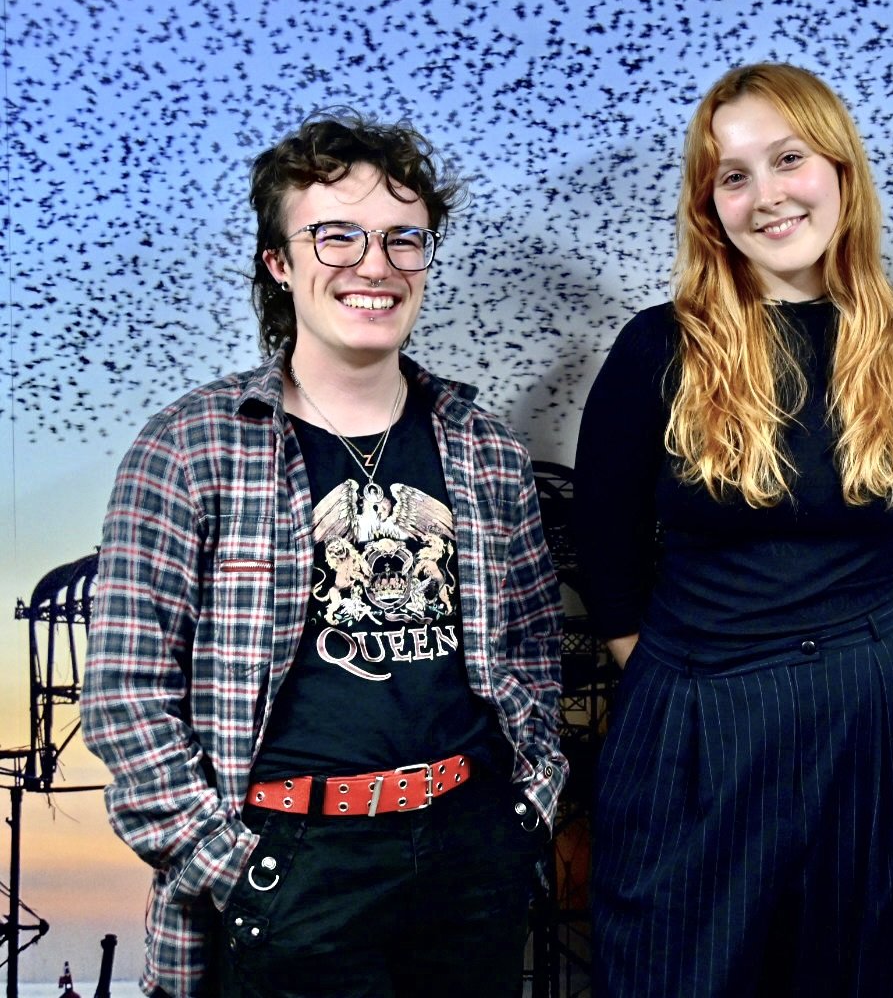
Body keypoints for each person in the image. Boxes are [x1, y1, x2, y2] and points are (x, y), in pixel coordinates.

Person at [83, 111, 567, 998]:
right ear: (280, 262)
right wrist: (229, 865)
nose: (374, 265)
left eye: (401, 239)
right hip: (289, 865)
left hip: (470, 854)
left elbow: (535, 645)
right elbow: (124, 690)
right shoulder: (193, 446)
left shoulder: (484, 448)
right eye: (335, 235)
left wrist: (525, 811)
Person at [573, 62, 893, 996]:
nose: (765, 195)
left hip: (871, 719)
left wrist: (874, 667)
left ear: (840, 169)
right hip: (692, 714)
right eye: (733, 175)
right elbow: (604, 552)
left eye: (788, 159)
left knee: (860, 975)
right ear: (708, 204)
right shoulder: (659, 345)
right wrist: (672, 675)